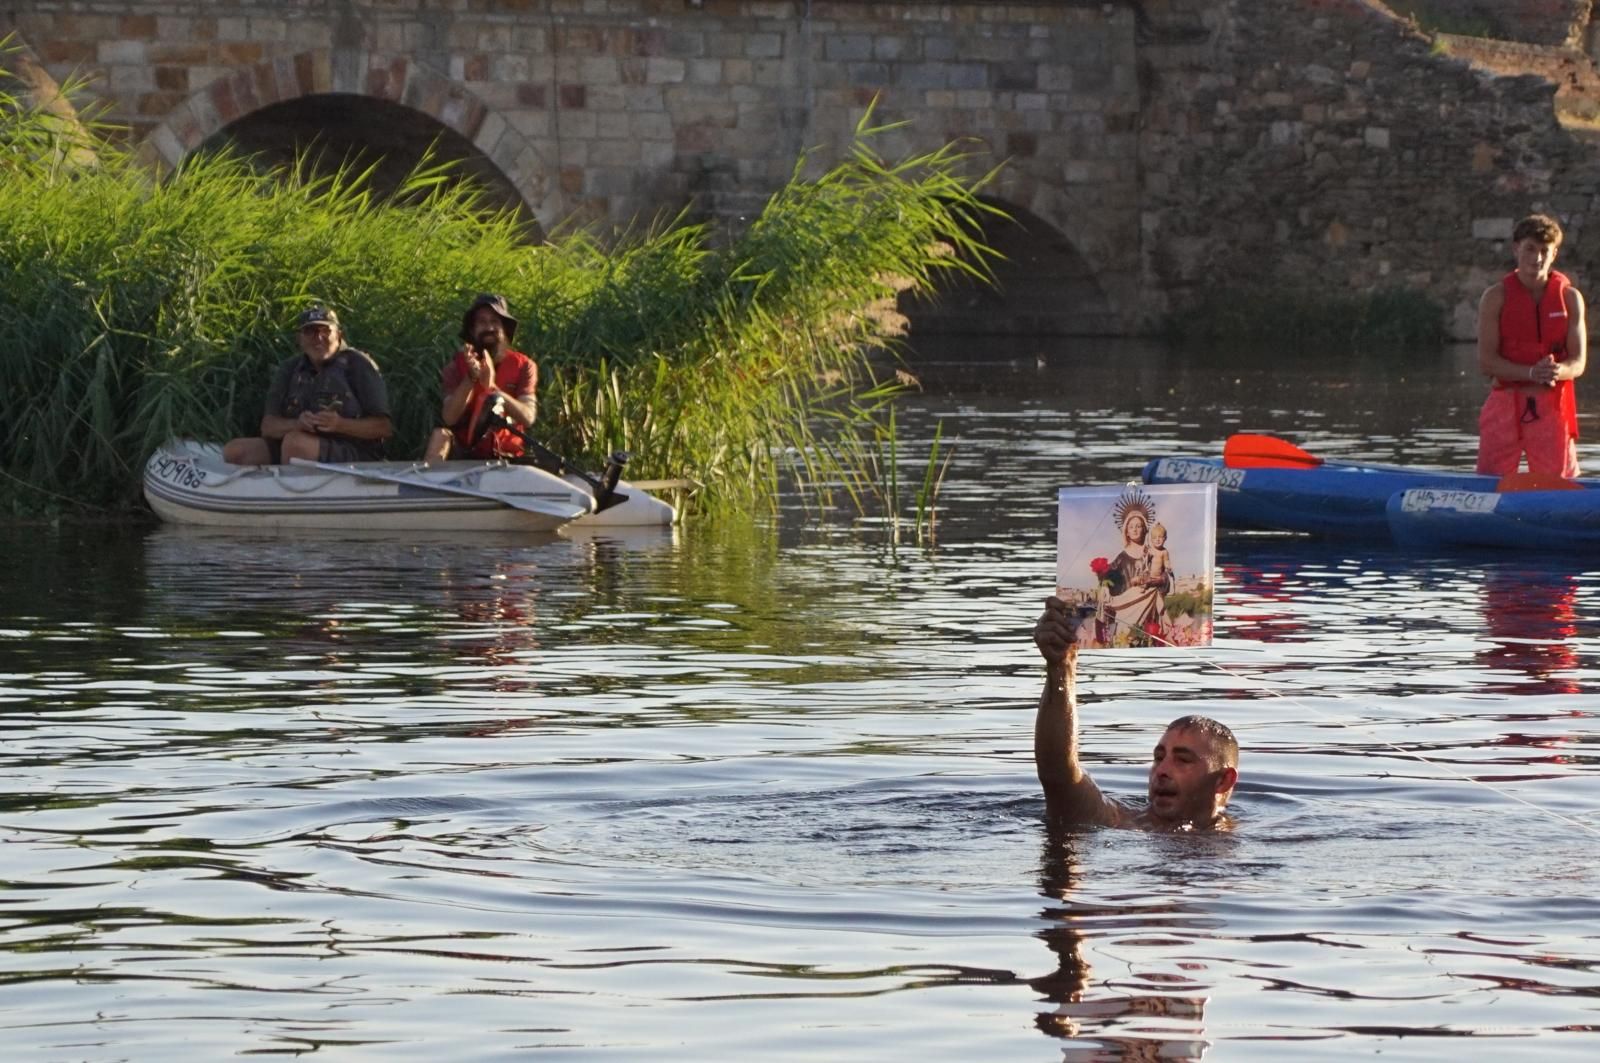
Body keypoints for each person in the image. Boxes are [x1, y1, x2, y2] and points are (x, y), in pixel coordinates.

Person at [1032, 596, 1238, 830]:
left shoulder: (1262, 838)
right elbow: (1058, 774)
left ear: (1223, 780)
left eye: (1182, 760)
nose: (1161, 771)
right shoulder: (1122, 822)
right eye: (1159, 758)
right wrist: (1062, 666)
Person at [1475, 212, 1587, 479]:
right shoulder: (1495, 297)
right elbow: (1486, 362)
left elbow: (1578, 362)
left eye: (1544, 251)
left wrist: (1555, 371)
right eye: (1530, 249)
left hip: (1551, 407)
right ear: (1516, 249)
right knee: (1490, 480)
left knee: (1559, 484)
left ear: (1554, 253)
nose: (1537, 258)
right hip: (1505, 403)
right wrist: (1530, 373)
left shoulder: (1570, 298)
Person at [222, 306, 392, 466]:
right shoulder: (289, 368)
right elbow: (268, 427)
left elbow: (383, 427)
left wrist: (339, 424)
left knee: (295, 445)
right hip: (296, 443)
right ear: (299, 339)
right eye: (310, 331)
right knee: (235, 450)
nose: (318, 338)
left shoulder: (358, 364)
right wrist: (298, 424)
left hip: (354, 451)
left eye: (326, 331)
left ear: (339, 335)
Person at [423, 293, 538, 463]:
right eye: (482, 322)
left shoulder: (524, 366)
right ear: (472, 329)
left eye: (494, 322)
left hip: (508, 456)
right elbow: (449, 417)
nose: (489, 328)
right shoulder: (455, 367)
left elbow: (528, 417)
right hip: (465, 452)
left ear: (504, 328)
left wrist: (492, 388)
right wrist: (470, 378)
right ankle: (428, 485)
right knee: (439, 435)